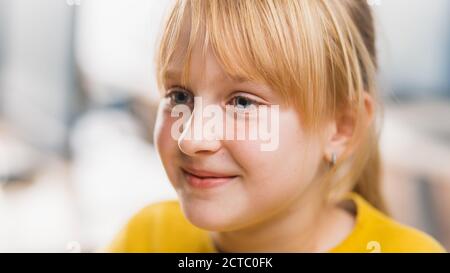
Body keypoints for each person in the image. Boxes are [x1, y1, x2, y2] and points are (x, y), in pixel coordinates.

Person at [105, 0, 445, 252]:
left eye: (242, 103)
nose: (192, 138)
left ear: (342, 126)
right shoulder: (144, 238)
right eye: (179, 96)